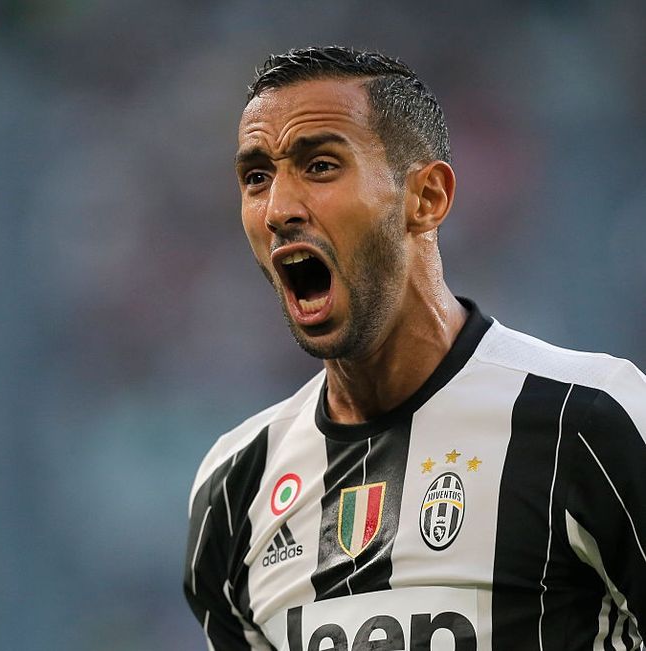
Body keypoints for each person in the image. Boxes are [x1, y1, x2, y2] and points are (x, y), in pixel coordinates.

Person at [183, 46, 646, 651]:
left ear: (426, 198)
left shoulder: (587, 419)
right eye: (256, 178)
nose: (278, 210)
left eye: (320, 166)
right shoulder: (234, 487)